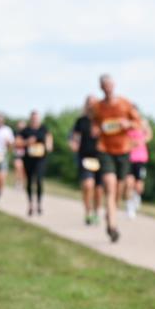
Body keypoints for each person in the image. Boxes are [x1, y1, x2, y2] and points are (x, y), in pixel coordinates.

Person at [92, 74, 142, 242]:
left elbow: (138, 123)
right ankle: (112, 226)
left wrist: (128, 124)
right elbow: (94, 124)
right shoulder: (97, 107)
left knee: (119, 190)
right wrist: (96, 130)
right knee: (110, 186)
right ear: (101, 88)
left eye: (110, 85)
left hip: (123, 150)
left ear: (114, 86)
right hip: (105, 150)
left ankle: (110, 213)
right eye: (104, 86)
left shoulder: (124, 104)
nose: (107, 88)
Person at [69, 96, 104, 226]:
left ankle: (96, 212)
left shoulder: (101, 120)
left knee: (99, 190)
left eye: (94, 103)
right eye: (89, 103)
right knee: (88, 185)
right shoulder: (81, 121)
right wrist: (74, 143)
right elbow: (75, 136)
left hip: (101, 158)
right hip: (85, 158)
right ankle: (87, 212)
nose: (91, 106)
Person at [19, 111, 52, 216]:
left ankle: (39, 204)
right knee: (29, 181)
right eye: (33, 118)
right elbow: (17, 143)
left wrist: (48, 146)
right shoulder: (25, 131)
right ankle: (30, 204)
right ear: (30, 119)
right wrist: (27, 142)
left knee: (38, 180)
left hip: (40, 159)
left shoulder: (44, 129)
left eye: (36, 118)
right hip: (28, 159)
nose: (34, 120)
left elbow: (49, 140)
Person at [124, 116, 153, 219]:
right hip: (128, 159)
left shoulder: (142, 123)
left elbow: (149, 135)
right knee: (128, 183)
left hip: (140, 159)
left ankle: (137, 197)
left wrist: (141, 140)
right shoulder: (125, 124)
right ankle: (129, 207)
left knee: (139, 185)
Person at [12, 120, 27, 190]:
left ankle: (23, 184)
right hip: (17, 154)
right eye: (19, 125)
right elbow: (14, 143)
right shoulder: (15, 133)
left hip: (26, 155)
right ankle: (17, 182)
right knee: (17, 167)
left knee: (24, 171)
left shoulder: (27, 134)